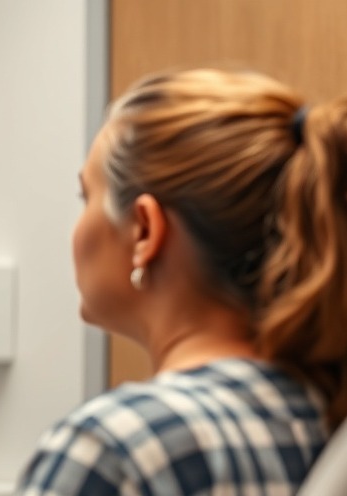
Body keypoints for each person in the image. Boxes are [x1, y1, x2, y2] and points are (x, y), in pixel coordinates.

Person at [18, 68, 347, 495]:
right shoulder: (327, 422)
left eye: (87, 197)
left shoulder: (115, 448)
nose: (76, 228)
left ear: (144, 231)